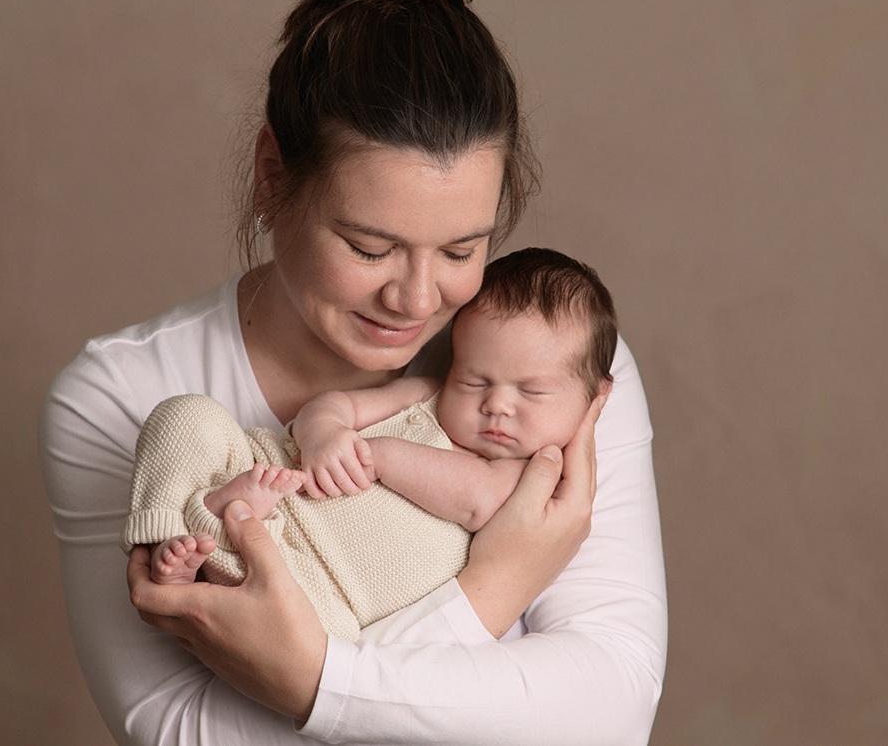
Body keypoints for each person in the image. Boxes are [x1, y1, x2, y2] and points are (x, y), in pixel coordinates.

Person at [39, 0, 666, 746]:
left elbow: (612, 712)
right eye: (370, 247)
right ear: (272, 177)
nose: (417, 299)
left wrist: (310, 681)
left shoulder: (546, 364)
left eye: (461, 249)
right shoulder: (120, 395)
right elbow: (181, 732)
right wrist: (497, 587)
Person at [122, 249, 619, 647]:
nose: (497, 405)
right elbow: (337, 405)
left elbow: (476, 499)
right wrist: (323, 433)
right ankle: (172, 536)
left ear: (595, 397)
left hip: (320, 590)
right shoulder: (425, 395)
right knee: (186, 417)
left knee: (326, 645)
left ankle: (212, 535)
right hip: (269, 474)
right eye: (475, 379)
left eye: (531, 392)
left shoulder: (537, 476)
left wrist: (379, 454)